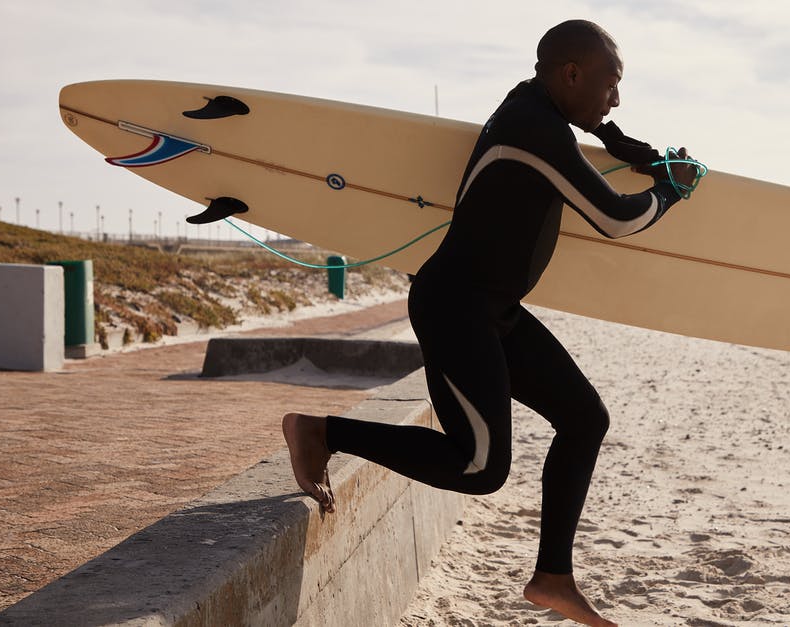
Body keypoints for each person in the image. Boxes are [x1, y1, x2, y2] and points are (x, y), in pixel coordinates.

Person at [283, 19, 698, 627]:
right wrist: (669, 190)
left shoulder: (536, 111)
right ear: (571, 72)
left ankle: (553, 576)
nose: (617, 98)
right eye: (612, 83)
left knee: (585, 418)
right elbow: (616, 219)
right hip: (454, 307)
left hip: (494, 309)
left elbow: (583, 134)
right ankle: (321, 432)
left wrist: (618, 138)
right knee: (479, 467)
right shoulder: (533, 127)